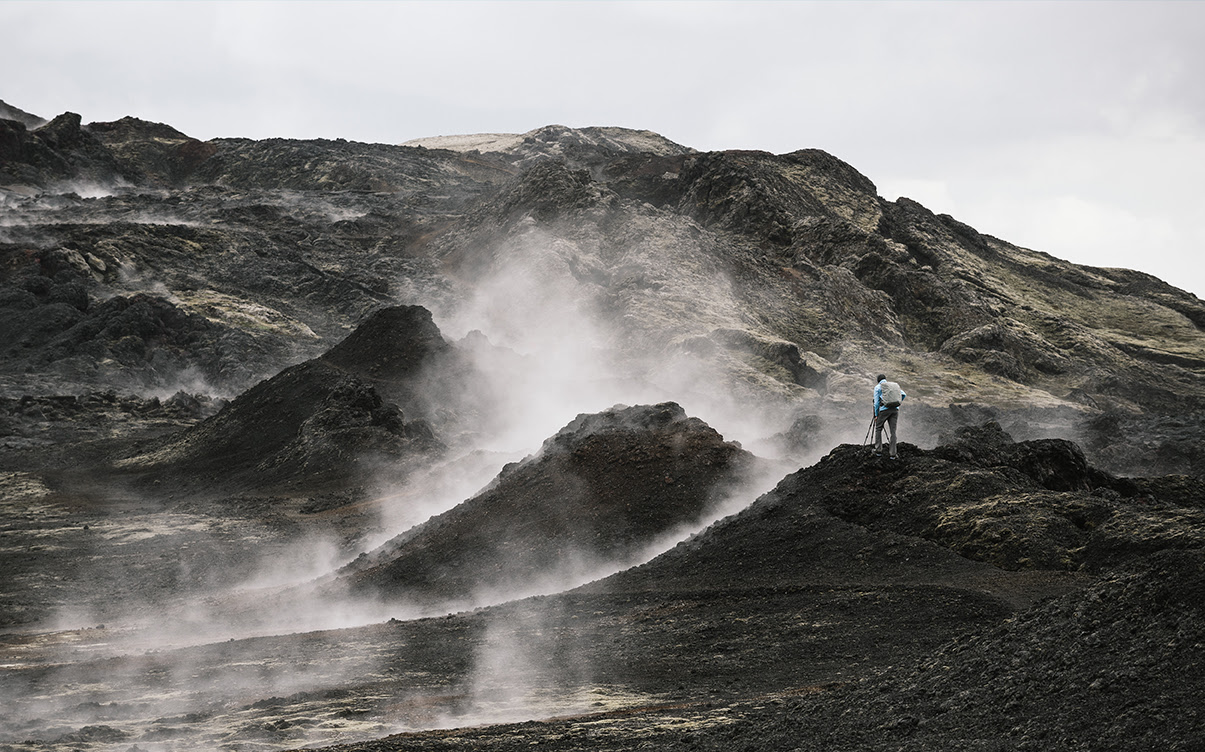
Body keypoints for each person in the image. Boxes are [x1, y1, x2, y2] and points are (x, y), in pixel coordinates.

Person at [872, 374, 906, 460]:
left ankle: (878, 451)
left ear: (878, 380)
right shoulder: (893, 386)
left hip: (884, 410)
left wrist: (876, 415)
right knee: (893, 432)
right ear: (885, 379)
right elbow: (903, 394)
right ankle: (893, 454)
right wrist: (898, 402)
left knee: (878, 428)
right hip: (895, 410)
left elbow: (876, 403)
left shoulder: (878, 387)